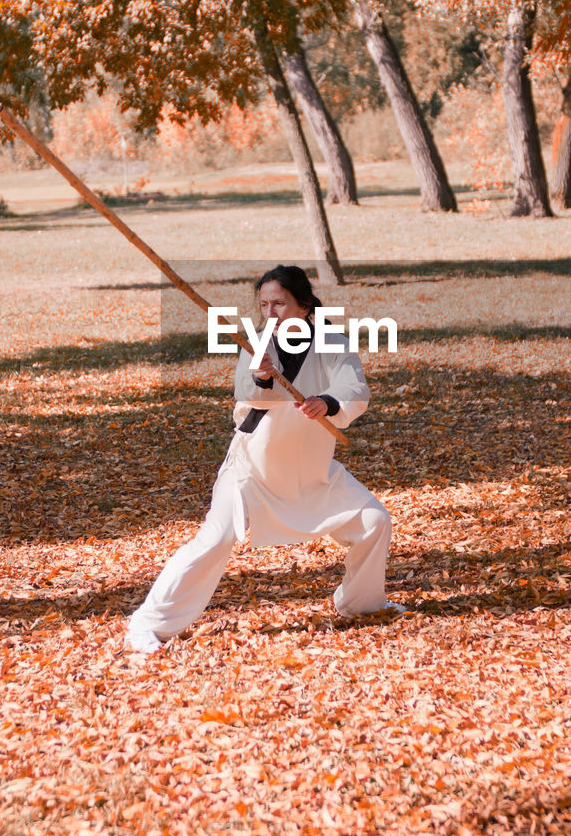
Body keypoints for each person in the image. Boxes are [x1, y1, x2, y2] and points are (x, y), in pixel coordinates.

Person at [125, 264, 401, 654]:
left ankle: (361, 602)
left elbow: (354, 387)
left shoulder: (332, 341)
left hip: (311, 471)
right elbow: (248, 395)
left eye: (280, 304)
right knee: (214, 540)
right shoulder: (257, 344)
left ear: (304, 305)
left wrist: (328, 402)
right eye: (265, 304)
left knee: (374, 521)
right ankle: (148, 624)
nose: (271, 312)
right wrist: (263, 376)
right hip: (250, 470)